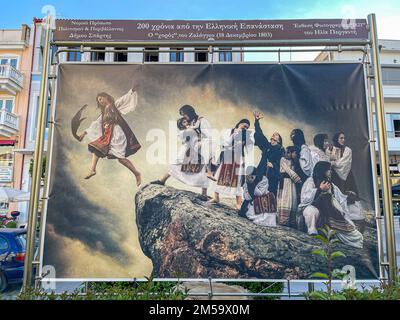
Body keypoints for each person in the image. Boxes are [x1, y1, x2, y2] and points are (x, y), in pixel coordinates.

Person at [77, 89, 142, 186]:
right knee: (97, 148)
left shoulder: (114, 106)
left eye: (100, 99)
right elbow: (96, 123)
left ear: (106, 97)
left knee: (120, 158)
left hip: (117, 134)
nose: (100, 101)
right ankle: (92, 170)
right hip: (108, 135)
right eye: (98, 100)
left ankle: (137, 173)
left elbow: (123, 99)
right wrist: (84, 132)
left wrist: (131, 91)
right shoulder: (103, 113)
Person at [152, 105, 214, 197]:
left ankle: (204, 194)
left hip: (199, 149)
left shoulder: (202, 121)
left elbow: (208, 136)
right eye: (183, 115)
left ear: (190, 112)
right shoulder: (190, 122)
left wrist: (201, 143)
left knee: (202, 170)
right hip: (188, 149)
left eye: (185, 114)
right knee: (177, 163)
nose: (184, 117)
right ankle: (162, 181)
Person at [298, 161, 363, 248]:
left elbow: (340, 197)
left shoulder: (330, 184)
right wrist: (319, 189)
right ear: (322, 170)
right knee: (312, 212)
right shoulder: (310, 181)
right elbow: (305, 197)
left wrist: (348, 196)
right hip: (312, 206)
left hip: (328, 209)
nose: (330, 172)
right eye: (328, 170)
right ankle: (312, 231)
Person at [209, 119, 254, 210]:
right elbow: (224, 143)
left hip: (238, 158)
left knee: (237, 179)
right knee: (219, 176)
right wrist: (233, 135)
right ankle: (216, 197)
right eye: (244, 126)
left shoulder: (246, 135)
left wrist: (247, 140)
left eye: (247, 127)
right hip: (227, 155)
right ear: (239, 123)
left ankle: (238, 203)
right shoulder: (229, 131)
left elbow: (249, 150)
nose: (245, 128)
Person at [253, 111, 285, 197]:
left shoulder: (281, 150)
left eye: (275, 137)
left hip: (272, 174)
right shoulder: (266, 145)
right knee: (256, 191)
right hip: (261, 170)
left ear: (279, 141)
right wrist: (256, 121)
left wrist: (273, 165)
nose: (273, 137)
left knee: (269, 194)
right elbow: (260, 134)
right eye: (272, 137)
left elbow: (283, 164)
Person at [277, 146, 303, 227]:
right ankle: (283, 219)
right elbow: (288, 171)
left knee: (292, 199)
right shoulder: (283, 160)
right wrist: (297, 179)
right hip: (285, 182)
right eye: (287, 152)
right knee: (285, 198)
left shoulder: (294, 162)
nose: (287, 154)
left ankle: (291, 220)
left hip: (291, 183)